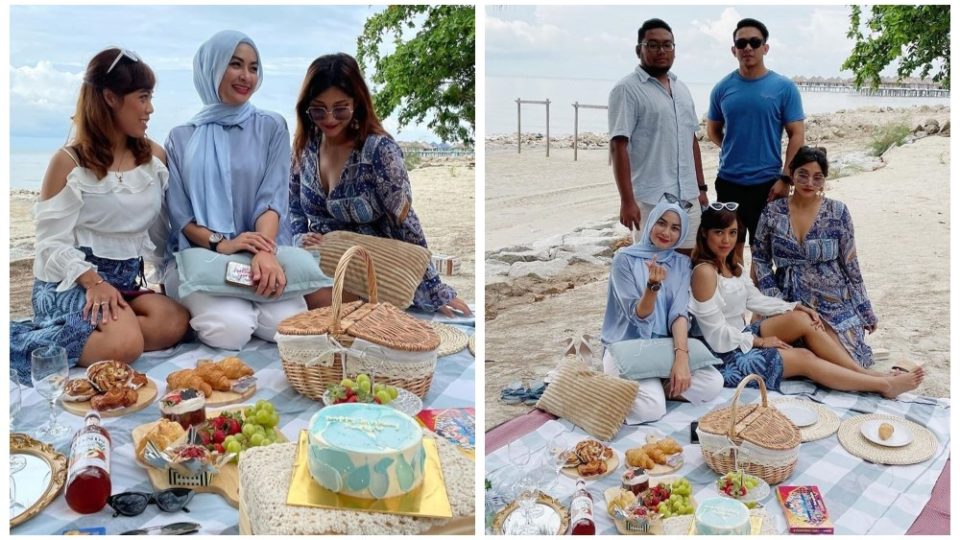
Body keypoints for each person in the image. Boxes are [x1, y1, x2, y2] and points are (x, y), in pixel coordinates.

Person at [10, 48, 189, 385]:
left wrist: (168, 274)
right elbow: (50, 244)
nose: (150, 109)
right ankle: (16, 343)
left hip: (125, 282)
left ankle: (111, 330)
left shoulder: (155, 158)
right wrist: (92, 282)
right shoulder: (69, 162)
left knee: (174, 321)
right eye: (143, 97)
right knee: (125, 343)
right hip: (71, 281)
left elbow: (159, 230)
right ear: (110, 97)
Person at [288, 53, 470, 316]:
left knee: (317, 308)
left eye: (340, 108)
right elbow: (294, 207)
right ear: (306, 108)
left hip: (375, 275)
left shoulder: (379, 151)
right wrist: (299, 237)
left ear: (357, 104)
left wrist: (433, 286)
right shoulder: (304, 149)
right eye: (318, 109)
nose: (329, 118)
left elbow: (406, 222)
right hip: (320, 267)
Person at [163, 30, 306, 350]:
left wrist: (264, 252)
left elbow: (272, 199)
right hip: (202, 255)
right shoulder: (181, 137)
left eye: (253, 67)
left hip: (262, 250)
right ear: (210, 69)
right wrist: (222, 244)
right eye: (235, 64)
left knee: (288, 329)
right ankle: (227, 306)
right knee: (231, 330)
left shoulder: (272, 127)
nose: (246, 76)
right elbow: (181, 216)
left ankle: (245, 301)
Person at [689, 204, 923, 399]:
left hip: (741, 335)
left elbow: (754, 299)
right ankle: (883, 385)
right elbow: (717, 336)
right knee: (805, 358)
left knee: (803, 318)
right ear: (705, 234)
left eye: (732, 232)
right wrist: (760, 341)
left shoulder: (732, 266)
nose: (726, 240)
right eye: (718, 232)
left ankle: (864, 373)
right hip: (723, 355)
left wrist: (792, 307)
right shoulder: (705, 272)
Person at [752, 147, 878, 368]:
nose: (809, 182)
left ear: (824, 180)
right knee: (792, 355)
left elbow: (850, 263)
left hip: (833, 299)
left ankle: (867, 377)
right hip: (789, 300)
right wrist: (776, 299)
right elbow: (760, 258)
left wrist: (865, 309)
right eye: (803, 174)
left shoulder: (837, 212)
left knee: (843, 358)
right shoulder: (772, 212)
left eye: (817, 177)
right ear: (791, 174)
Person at [601, 198, 723, 423]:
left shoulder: (680, 263)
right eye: (661, 223)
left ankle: (659, 387)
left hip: (662, 348)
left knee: (713, 383)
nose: (667, 232)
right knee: (651, 409)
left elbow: (678, 315)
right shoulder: (624, 260)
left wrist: (681, 358)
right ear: (650, 223)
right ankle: (606, 386)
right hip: (626, 348)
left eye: (675, 228)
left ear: (682, 232)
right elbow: (637, 315)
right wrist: (652, 287)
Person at [609, 18, 708, 254]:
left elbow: (691, 140)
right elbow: (619, 146)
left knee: (688, 263)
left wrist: (701, 188)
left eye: (668, 45)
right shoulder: (627, 89)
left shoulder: (681, 88)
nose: (661, 51)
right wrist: (627, 201)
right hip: (651, 198)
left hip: (689, 196)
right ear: (639, 49)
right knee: (651, 265)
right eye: (653, 45)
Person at [706, 18, 805, 252]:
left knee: (765, 249)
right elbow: (712, 130)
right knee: (729, 249)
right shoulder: (722, 88)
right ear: (734, 50)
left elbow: (797, 135)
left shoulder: (784, 87)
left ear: (765, 47)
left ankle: (761, 290)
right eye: (741, 43)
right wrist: (734, 147)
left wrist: (786, 178)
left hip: (769, 184)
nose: (748, 48)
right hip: (729, 182)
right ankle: (736, 290)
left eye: (754, 42)